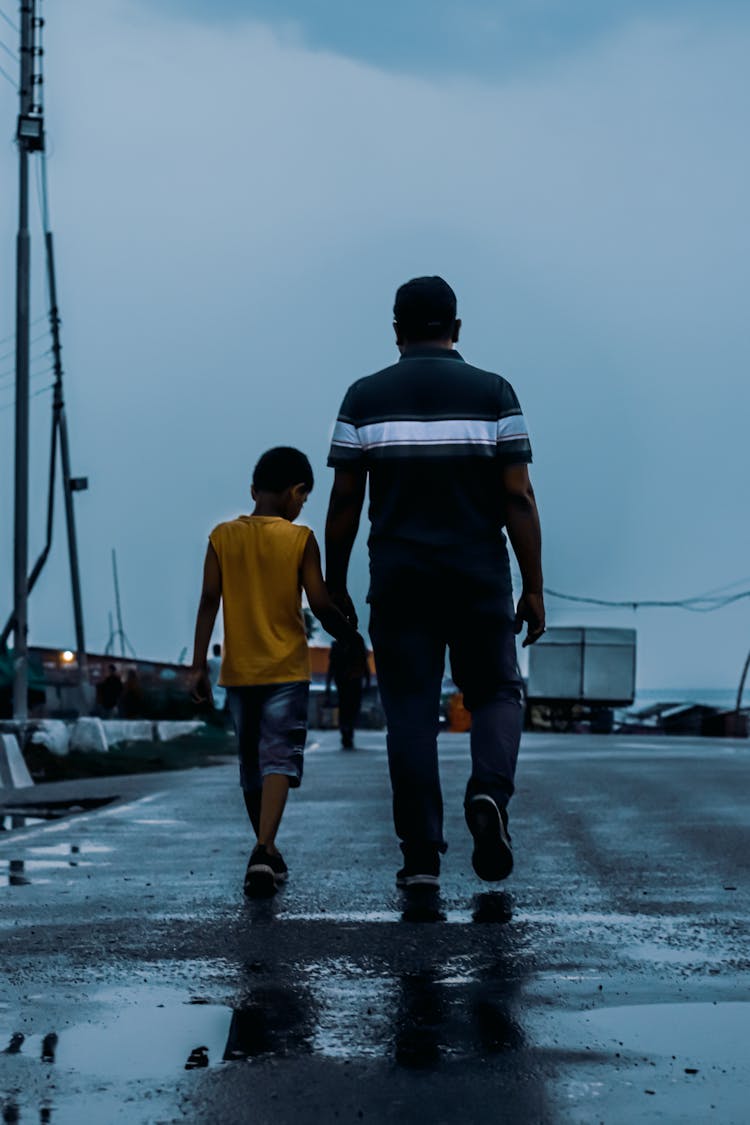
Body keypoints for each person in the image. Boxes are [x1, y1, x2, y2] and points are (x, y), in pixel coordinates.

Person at [325, 276, 545, 890]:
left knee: (411, 716)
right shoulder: (494, 393)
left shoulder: (363, 399)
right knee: (498, 693)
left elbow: (345, 501)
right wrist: (533, 585)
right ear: (457, 327)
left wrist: (334, 584)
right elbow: (517, 495)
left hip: (399, 581)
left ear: (395, 330)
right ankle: (489, 796)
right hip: (477, 576)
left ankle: (421, 856)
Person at [191, 446, 363, 897]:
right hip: (286, 668)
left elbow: (209, 602)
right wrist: (348, 634)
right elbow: (320, 602)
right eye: (303, 498)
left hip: (239, 672)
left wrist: (196, 667)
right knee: (279, 760)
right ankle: (264, 849)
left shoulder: (221, 537)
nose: (302, 506)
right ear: (296, 491)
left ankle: (264, 849)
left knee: (251, 765)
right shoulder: (300, 538)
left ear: (253, 491)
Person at [325, 637, 371, 750]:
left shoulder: (340, 644)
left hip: (346, 681)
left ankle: (347, 730)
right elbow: (364, 664)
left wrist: (328, 685)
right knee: (350, 707)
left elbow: (331, 667)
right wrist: (367, 681)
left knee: (346, 707)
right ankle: (347, 730)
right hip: (351, 682)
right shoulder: (356, 643)